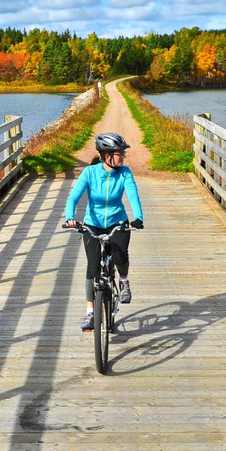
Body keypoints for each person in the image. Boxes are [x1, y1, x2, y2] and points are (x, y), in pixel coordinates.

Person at [65, 132, 144, 331]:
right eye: (120, 153)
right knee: (92, 268)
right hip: (92, 223)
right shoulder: (90, 173)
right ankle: (90, 312)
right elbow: (73, 197)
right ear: (107, 155)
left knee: (119, 257)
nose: (124, 156)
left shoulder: (125, 172)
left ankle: (124, 281)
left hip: (118, 222)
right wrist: (70, 217)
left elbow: (133, 195)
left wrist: (138, 218)